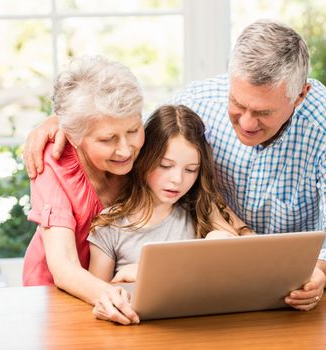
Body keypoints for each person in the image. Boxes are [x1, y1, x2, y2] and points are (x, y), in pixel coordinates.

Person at [24, 20, 326, 311]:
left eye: (264, 113)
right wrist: (60, 121)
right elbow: (126, 124)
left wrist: (320, 273)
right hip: (71, 295)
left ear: (300, 95)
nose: (247, 122)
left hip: (283, 288)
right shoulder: (199, 101)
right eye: (237, 103)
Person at [22, 55, 144, 325]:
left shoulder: (147, 152)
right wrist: (108, 294)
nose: (125, 150)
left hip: (123, 292)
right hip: (54, 297)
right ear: (74, 136)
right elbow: (63, 265)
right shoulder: (52, 162)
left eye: (133, 130)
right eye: (107, 139)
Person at [88, 105, 250, 294]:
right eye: (165, 165)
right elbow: (95, 299)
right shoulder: (110, 225)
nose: (177, 180)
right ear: (144, 158)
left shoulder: (199, 211)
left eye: (190, 170)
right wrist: (120, 282)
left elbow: (242, 268)